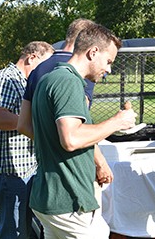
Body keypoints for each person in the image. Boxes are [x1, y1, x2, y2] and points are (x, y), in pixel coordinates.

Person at [29, 23, 136, 239]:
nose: (109, 69)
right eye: (108, 61)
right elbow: (71, 138)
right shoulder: (67, 82)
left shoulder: (49, 78)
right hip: (70, 203)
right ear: (93, 52)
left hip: (51, 200)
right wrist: (117, 122)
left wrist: (99, 162)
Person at [17, 18, 114, 191]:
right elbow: (76, 132)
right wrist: (100, 162)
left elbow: (23, 125)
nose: (107, 70)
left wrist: (49, 144)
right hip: (71, 179)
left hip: (44, 174)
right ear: (90, 44)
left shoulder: (38, 70)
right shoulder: (79, 74)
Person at [0, 41, 54, 239]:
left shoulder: (26, 81)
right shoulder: (6, 78)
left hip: (27, 170)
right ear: (32, 57)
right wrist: (35, 122)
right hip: (9, 174)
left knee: (25, 231)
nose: (47, 70)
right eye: (45, 64)